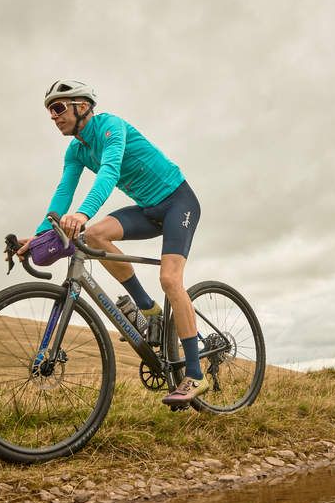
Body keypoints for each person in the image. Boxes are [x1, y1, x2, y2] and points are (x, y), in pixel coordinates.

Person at [16, 79, 205, 406]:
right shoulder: (75, 150)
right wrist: (37, 235)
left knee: (170, 278)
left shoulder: (111, 127)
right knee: (94, 236)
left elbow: (109, 172)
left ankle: (195, 374)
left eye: (59, 108)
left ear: (82, 106)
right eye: (50, 112)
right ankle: (148, 308)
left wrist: (83, 213)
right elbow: (63, 192)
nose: (54, 116)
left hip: (178, 202)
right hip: (148, 209)